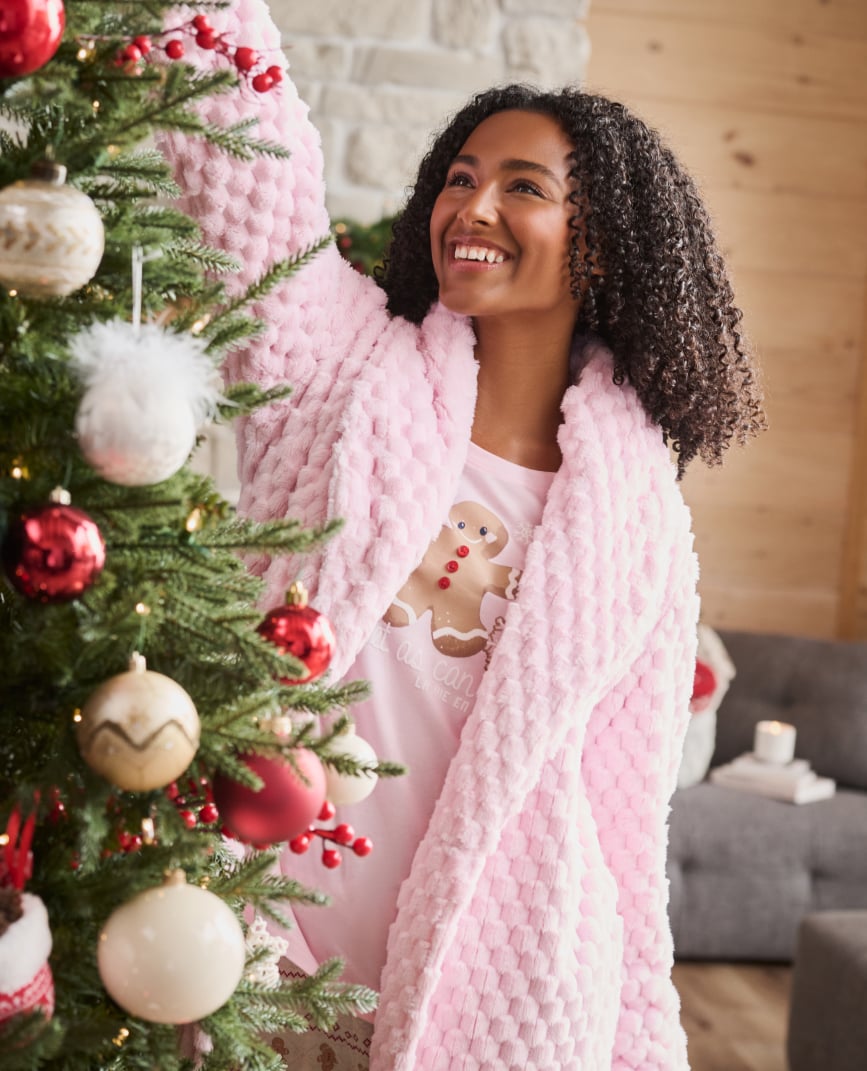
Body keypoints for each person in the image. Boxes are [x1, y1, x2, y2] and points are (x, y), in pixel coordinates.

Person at [164, 1, 765, 1068]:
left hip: (473, 1011)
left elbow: (625, 831)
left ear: (602, 244)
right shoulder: (345, 370)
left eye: (522, 187)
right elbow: (247, 170)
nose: (472, 206)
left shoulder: (638, 529)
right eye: (459, 177)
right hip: (242, 959)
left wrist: (644, 1048)